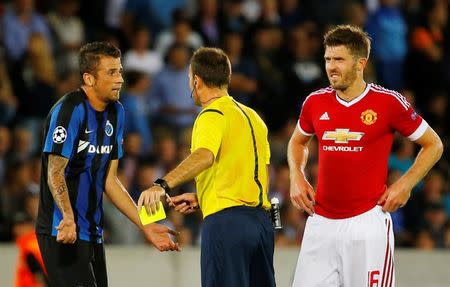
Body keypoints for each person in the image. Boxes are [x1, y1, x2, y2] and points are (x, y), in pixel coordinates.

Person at [287, 25, 443, 287]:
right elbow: (297, 142)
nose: (331, 67)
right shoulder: (315, 102)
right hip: (320, 224)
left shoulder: (389, 102)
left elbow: (434, 145)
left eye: (339, 59)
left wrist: (404, 185)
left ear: (361, 63)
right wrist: (296, 176)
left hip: (367, 224)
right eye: (327, 59)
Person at [35, 41, 179, 287]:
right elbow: (55, 170)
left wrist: (146, 224)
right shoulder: (69, 110)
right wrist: (68, 217)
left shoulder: (117, 112)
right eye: (111, 73)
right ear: (89, 79)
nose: (120, 79)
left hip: (93, 233)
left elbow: (109, 180)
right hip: (62, 231)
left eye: (120, 71)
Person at [138, 47, 276, 287]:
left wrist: (162, 185)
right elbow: (260, 175)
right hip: (262, 226)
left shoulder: (211, 113)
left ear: (196, 80)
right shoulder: (254, 117)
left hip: (226, 225)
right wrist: (203, 197)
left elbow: (204, 155)